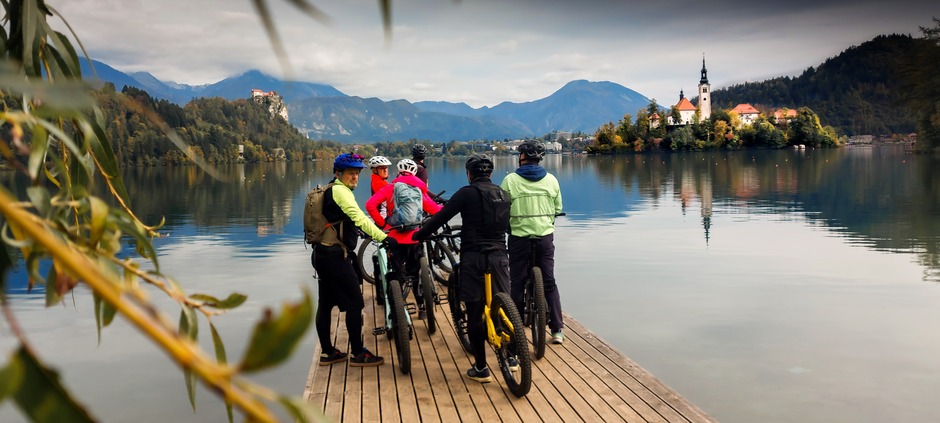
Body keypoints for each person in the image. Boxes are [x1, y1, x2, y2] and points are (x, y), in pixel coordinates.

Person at [412, 154, 514, 383]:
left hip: (474, 257)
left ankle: (481, 368)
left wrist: (419, 235)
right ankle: (514, 357)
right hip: (499, 256)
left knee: (475, 313)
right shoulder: (502, 193)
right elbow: (508, 225)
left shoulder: (466, 193)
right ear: (490, 173)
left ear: (469, 174)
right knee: (504, 306)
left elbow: (440, 217)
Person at [312, 153, 393, 367]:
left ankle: (328, 353)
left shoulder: (330, 189)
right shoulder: (341, 191)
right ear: (338, 173)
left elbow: (344, 220)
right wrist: (384, 237)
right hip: (335, 257)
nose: (355, 177)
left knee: (326, 303)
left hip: (322, 254)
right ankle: (357, 353)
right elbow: (358, 217)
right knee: (355, 303)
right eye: (350, 173)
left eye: (357, 173)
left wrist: (358, 231)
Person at [500, 141, 566, 344]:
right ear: (540, 159)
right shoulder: (552, 180)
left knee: (517, 282)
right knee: (549, 282)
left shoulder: (510, 180)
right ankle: (556, 330)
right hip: (544, 238)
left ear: (521, 158)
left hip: (519, 238)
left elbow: (502, 208)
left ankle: (515, 329)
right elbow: (557, 208)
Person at [366, 159, 441, 319]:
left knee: (396, 272)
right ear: (414, 174)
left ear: (398, 173)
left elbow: (370, 205)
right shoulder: (418, 190)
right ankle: (421, 306)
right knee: (416, 273)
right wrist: (445, 208)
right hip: (414, 237)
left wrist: (383, 223)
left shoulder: (390, 188)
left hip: (395, 238)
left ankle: (398, 307)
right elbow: (434, 210)